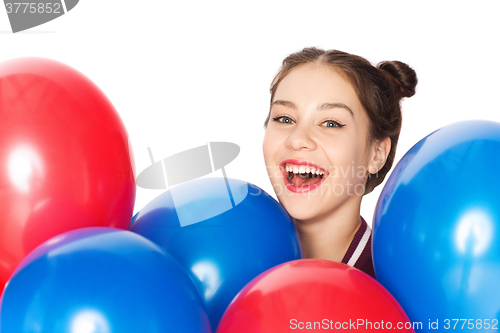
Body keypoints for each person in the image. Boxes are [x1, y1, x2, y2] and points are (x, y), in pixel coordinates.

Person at [262, 47, 417, 278]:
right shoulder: (235, 259)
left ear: (377, 154)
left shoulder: (397, 286)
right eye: (284, 118)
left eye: (331, 123)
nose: (297, 139)